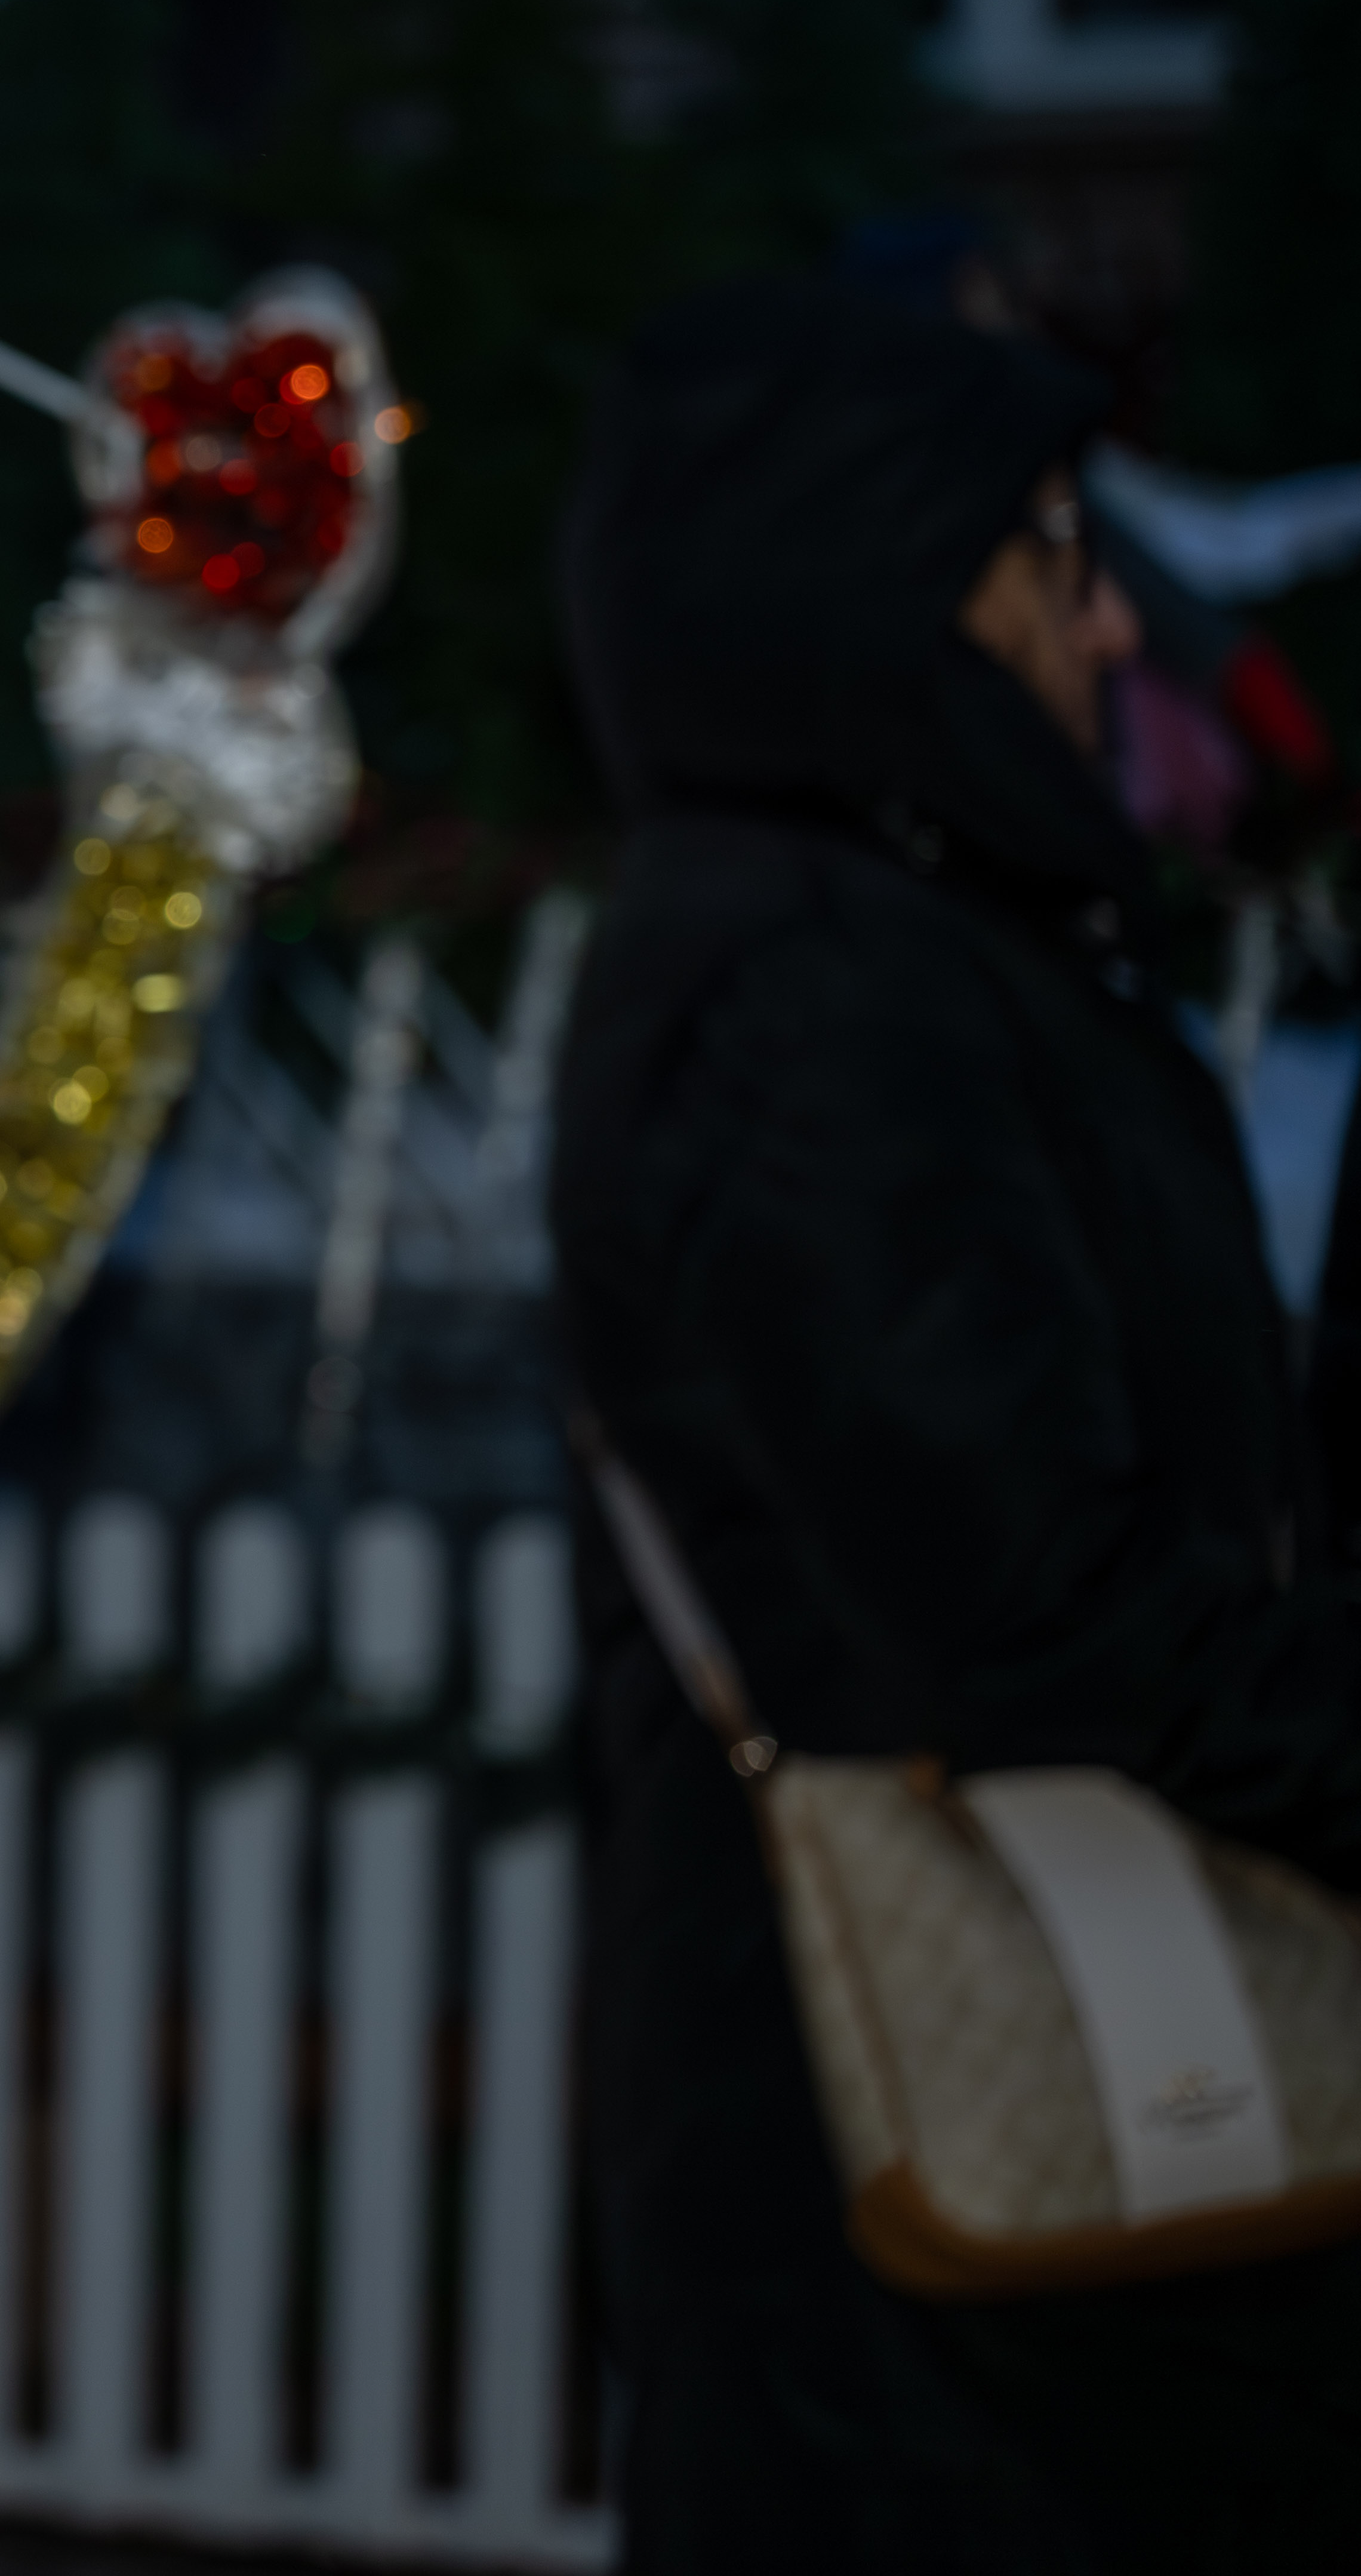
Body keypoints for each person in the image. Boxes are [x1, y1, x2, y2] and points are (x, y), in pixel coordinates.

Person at [552, 273, 1361, 2574]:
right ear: (877, 570)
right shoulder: (803, 992)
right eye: (1053, 548)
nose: (1112, 630)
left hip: (1074, 2185)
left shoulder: (921, 936)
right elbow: (1031, 1598)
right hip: (927, 2217)